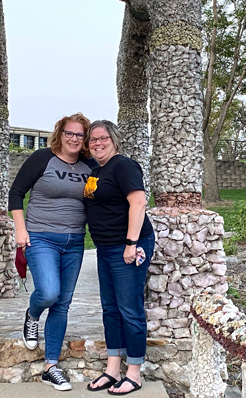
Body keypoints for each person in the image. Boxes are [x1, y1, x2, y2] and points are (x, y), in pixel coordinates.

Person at [8, 113, 96, 391]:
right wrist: (20, 230)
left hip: (75, 241)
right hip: (40, 237)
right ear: (60, 133)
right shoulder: (42, 158)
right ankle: (32, 315)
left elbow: (102, 194)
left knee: (62, 303)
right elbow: (16, 193)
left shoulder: (90, 166)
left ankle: (51, 366)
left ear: (85, 139)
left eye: (80, 135)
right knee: (48, 293)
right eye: (69, 133)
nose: (74, 139)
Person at [83, 120, 155, 396]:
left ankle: (134, 373)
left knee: (129, 309)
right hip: (105, 247)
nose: (97, 143)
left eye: (103, 138)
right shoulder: (96, 169)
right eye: (93, 140)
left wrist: (131, 243)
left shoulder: (124, 166)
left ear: (114, 140)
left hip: (128, 246)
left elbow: (138, 202)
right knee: (110, 308)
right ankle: (113, 369)